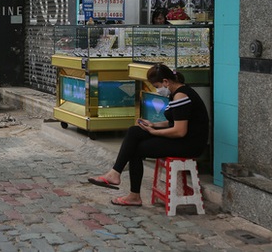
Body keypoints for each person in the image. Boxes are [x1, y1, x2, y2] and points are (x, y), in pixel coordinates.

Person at [86, 63, 209, 207]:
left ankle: (131, 192)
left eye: (157, 86)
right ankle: (115, 174)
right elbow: (173, 121)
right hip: (181, 139)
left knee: (136, 150)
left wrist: (155, 132)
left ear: (165, 82)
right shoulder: (176, 93)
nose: (158, 90)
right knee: (134, 131)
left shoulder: (181, 96)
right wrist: (152, 124)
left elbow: (179, 131)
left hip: (189, 144)